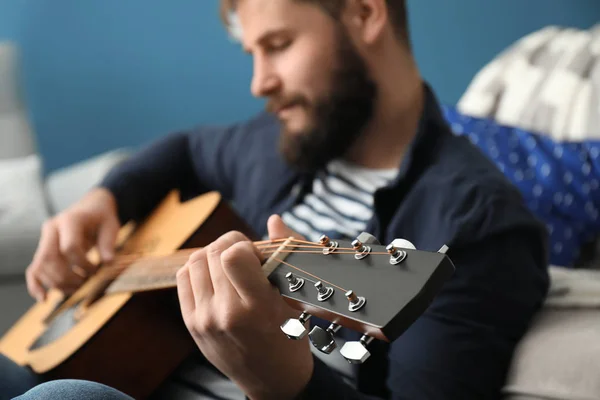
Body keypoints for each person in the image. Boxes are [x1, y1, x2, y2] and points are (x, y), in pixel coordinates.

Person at [1, 0, 550, 399]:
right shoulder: (287, 140)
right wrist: (104, 199)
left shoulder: (476, 223)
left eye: (279, 45)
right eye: (251, 52)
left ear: (364, 14)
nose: (258, 83)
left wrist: (287, 383)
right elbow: (186, 147)